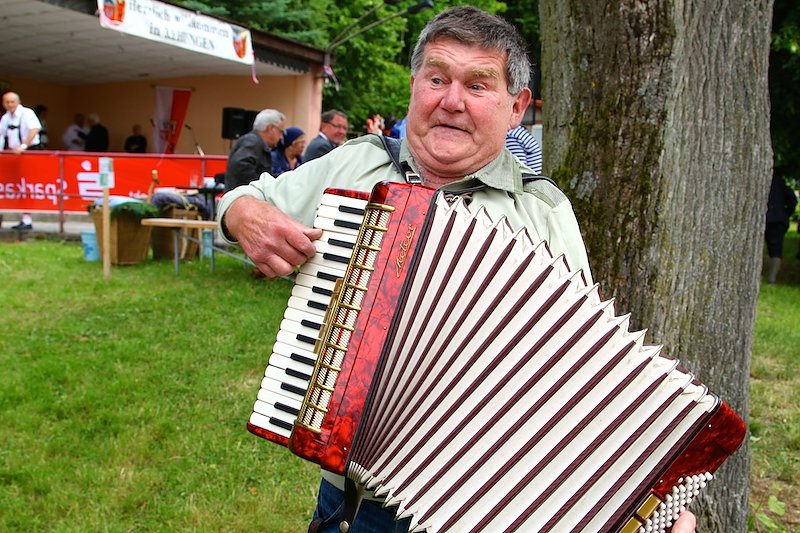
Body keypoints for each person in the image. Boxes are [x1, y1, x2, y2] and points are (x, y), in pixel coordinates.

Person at [217, 7, 697, 533]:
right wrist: (243, 216)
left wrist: (650, 497)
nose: (451, 101)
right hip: (351, 503)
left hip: (475, 507)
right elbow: (245, 199)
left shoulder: (542, 212)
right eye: (437, 79)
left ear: (516, 107)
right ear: (414, 86)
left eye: (477, 85)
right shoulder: (355, 164)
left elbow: (587, 372)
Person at [0, 91, 42, 230]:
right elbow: (1, 135)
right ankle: (23, 218)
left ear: (18, 102)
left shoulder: (27, 113)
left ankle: (27, 219)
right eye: (7, 102)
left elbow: (34, 129)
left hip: (29, 152)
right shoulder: (6, 118)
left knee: (27, 185)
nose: (10, 104)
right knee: (14, 185)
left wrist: (24, 146)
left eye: (12, 101)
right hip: (13, 154)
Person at [224, 109, 286, 192]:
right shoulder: (253, 142)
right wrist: (261, 186)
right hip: (244, 196)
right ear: (270, 128)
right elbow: (240, 165)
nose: (281, 137)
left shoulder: (254, 142)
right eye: (281, 131)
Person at [765, 173, 797, 283]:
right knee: (776, 250)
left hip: (767, 218)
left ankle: (770, 278)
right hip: (777, 219)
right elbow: (792, 199)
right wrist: (785, 213)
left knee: (772, 249)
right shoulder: (779, 181)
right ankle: (771, 279)